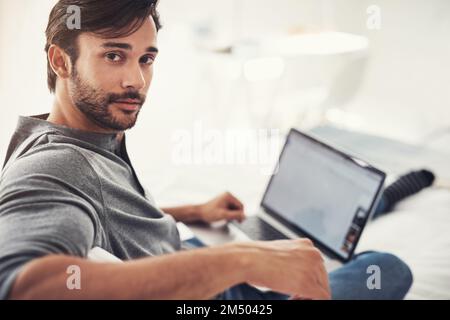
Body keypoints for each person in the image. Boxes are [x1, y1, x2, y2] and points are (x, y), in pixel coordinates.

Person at [0, 0, 413, 300]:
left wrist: (191, 213)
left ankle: (375, 202)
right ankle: (378, 203)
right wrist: (241, 260)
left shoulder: (72, 132)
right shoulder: (56, 166)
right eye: (113, 55)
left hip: (179, 252)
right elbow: (23, 285)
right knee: (387, 267)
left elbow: (110, 215)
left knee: (306, 222)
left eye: (146, 59)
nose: (137, 81)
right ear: (60, 60)